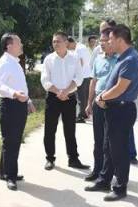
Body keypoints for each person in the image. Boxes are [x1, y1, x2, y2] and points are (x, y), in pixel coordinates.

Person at [94, 24, 138, 201]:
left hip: (122, 110)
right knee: (108, 147)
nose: (109, 42)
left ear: (120, 40)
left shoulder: (130, 59)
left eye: (112, 39)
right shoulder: (122, 57)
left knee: (119, 150)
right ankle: (104, 180)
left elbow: (121, 87)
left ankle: (121, 187)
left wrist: (102, 98)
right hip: (114, 109)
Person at [41, 32, 89, 171]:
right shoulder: (49, 59)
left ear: (66, 42)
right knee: (50, 129)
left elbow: (78, 78)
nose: (55, 44)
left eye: (58, 41)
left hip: (69, 98)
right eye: (54, 41)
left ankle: (73, 159)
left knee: (70, 129)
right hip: (53, 97)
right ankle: (50, 159)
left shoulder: (74, 58)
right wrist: (58, 92)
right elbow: (45, 79)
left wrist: (66, 91)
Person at [0, 33, 35, 191]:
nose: (22, 45)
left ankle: (5, 172)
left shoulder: (14, 62)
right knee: (11, 141)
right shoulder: (4, 63)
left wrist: (28, 101)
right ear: (9, 46)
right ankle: (10, 176)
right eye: (19, 43)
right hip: (10, 105)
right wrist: (15, 95)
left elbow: (20, 85)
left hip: (19, 104)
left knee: (13, 140)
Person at [84, 28, 117, 184]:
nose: (102, 44)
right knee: (98, 140)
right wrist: (89, 103)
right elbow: (93, 82)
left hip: (113, 104)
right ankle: (96, 170)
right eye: (100, 41)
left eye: (105, 41)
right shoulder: (98, 59)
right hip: (97, 103)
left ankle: (107, 174)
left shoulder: (120, 60)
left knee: (109, 141)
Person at [74, 38, 93, 123]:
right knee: (85, 96)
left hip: (82, 76)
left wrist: (76, 74)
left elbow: (80, 62)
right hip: (88, 74)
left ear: (71, 43)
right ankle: (85, 114)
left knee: (80, 97)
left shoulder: (78, 49)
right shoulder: (83, 47)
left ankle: (80, 117)